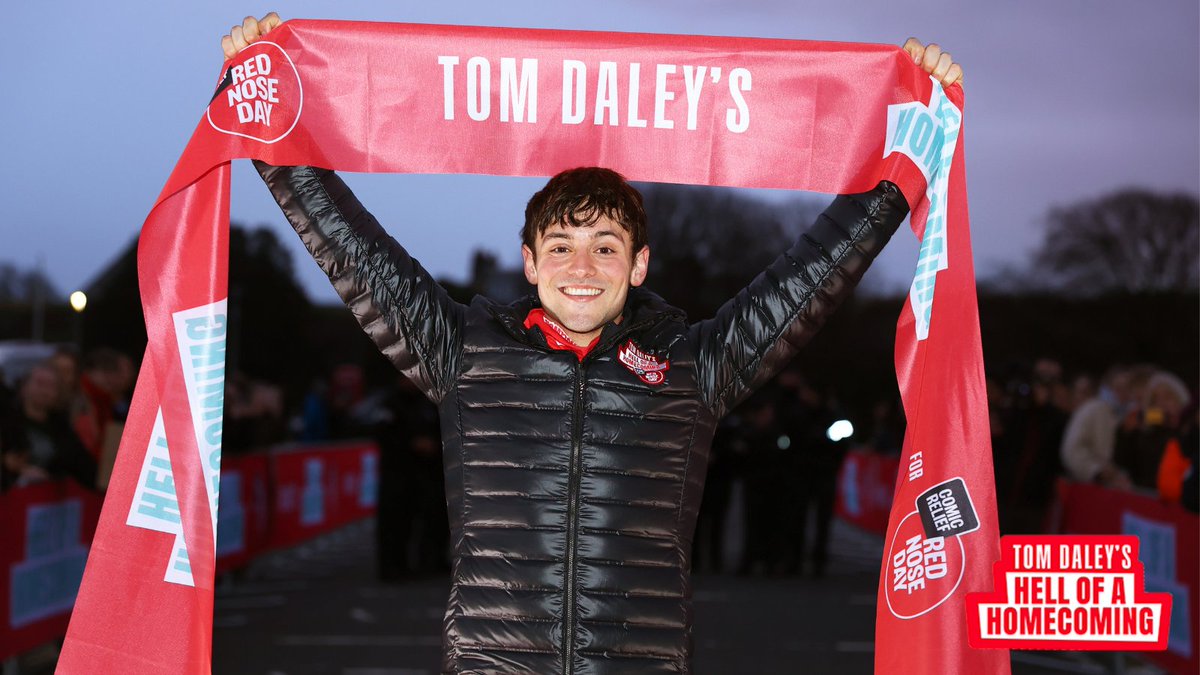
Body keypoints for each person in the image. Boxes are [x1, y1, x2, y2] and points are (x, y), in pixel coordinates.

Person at [223, 14, 963, 673]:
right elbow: (357, 254)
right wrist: (272, 125)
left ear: (639, 265)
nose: (582, 267)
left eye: (606, 247)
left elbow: (810, 279)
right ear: (530, 260)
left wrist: (901, 162)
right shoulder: (463, 351)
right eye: (562, 245)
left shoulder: (693, 364)